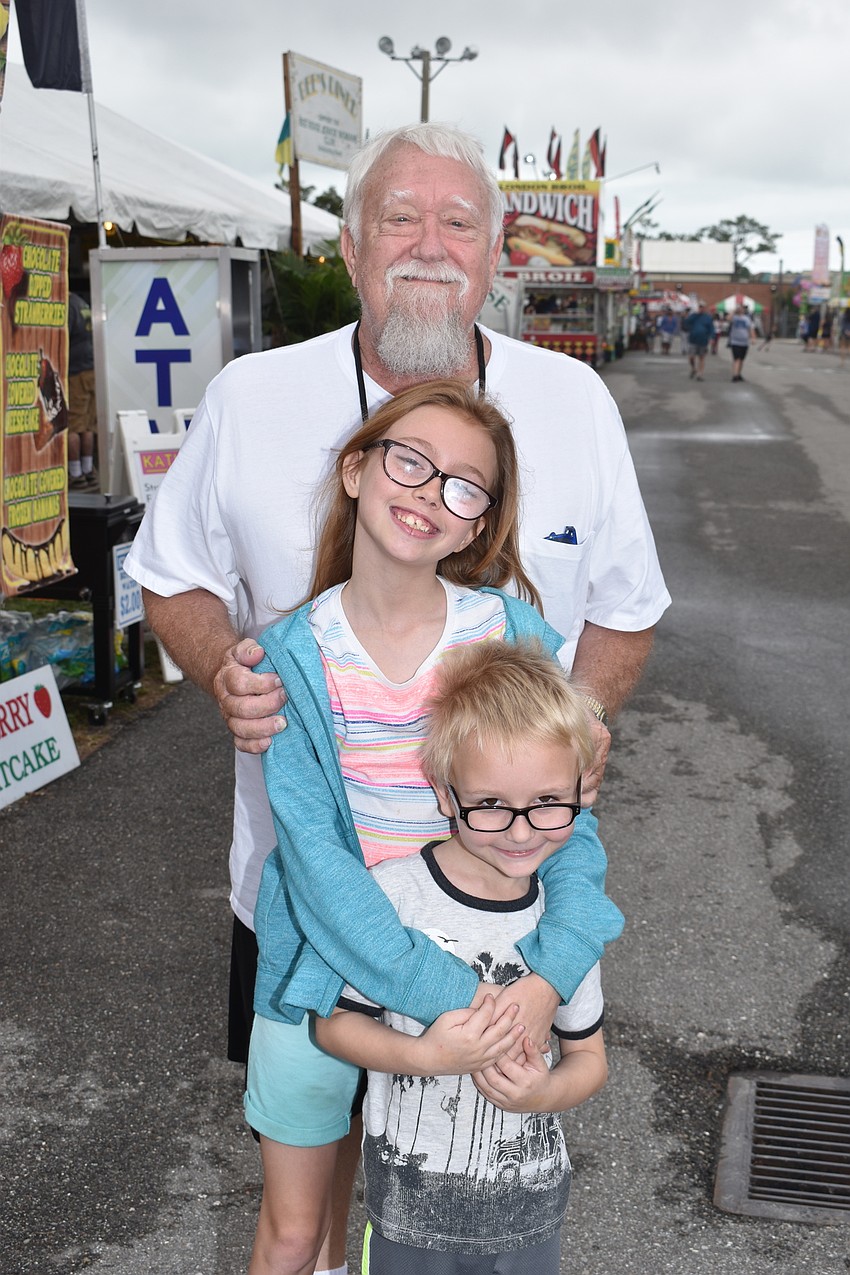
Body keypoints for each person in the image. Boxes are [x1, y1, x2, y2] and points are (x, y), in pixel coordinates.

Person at [124, 122, 670, 1274]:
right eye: (399, 219)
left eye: (457, 221)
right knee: (307, 1213)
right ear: (354, 243)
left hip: (498, 926)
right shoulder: (254, 395)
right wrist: (225, 662)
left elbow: (626, 607)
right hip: (311, 911)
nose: (428, 245)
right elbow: (169, 576)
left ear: (494, 253)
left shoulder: (572, 405)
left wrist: (566, 747)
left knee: (443, 1214)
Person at [247, 381, 621, 1275]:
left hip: (496, 988)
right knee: (299, 1234)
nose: (427, 492)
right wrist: (447, 994)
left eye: (463, 485)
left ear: (475, 525)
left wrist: (544, 976)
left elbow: (576, 829)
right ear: (356, 469)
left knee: (433, 1222)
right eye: (409, 460)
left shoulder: (512, 634)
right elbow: (314, 859)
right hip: (330, 973)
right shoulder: (287, 656)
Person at [314, 639, 607, 1274]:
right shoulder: (394, 898)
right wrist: (425, 1056)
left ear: (582, 793)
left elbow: (588, 1059)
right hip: (408, 1219)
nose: (522, 830)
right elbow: (333, 1025)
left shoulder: (565, 920)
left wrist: (542, 1093)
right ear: (447, 796)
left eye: (548, 802)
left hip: (530, 1215)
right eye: (492, 805)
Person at [67, 292, 98, 489]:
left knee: (72, 427)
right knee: (87, 426)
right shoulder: (82, 303)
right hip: (90, 370)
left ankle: (75, 474)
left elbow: (63, 337)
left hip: (76, 373)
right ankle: (88, 470)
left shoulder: (68, 305)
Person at [683, 302, 714, 381]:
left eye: (702, 307)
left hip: (703, 340)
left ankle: (700, 374)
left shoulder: (708, 317)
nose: (701, 308)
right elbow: (686, 323)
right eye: (700, 307)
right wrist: (693, 315)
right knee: (691, 357)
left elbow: (711, 328)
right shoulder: (693, 316)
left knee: (702, 357)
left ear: (705, 308)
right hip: (693, 339)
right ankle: (693, 368)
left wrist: (711, 338)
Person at [728, 305, 754, 382]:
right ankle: (735, 375)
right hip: (735, 341)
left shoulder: (747, 318)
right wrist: (733, 311)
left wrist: (753, 338)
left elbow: (750, 328)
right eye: (739, 308)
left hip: (744, 342)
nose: (740, 310)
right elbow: (728, 318)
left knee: (741, 359)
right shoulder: (734, 317)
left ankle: (739, 374)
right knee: (737, 359)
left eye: (741, 308)